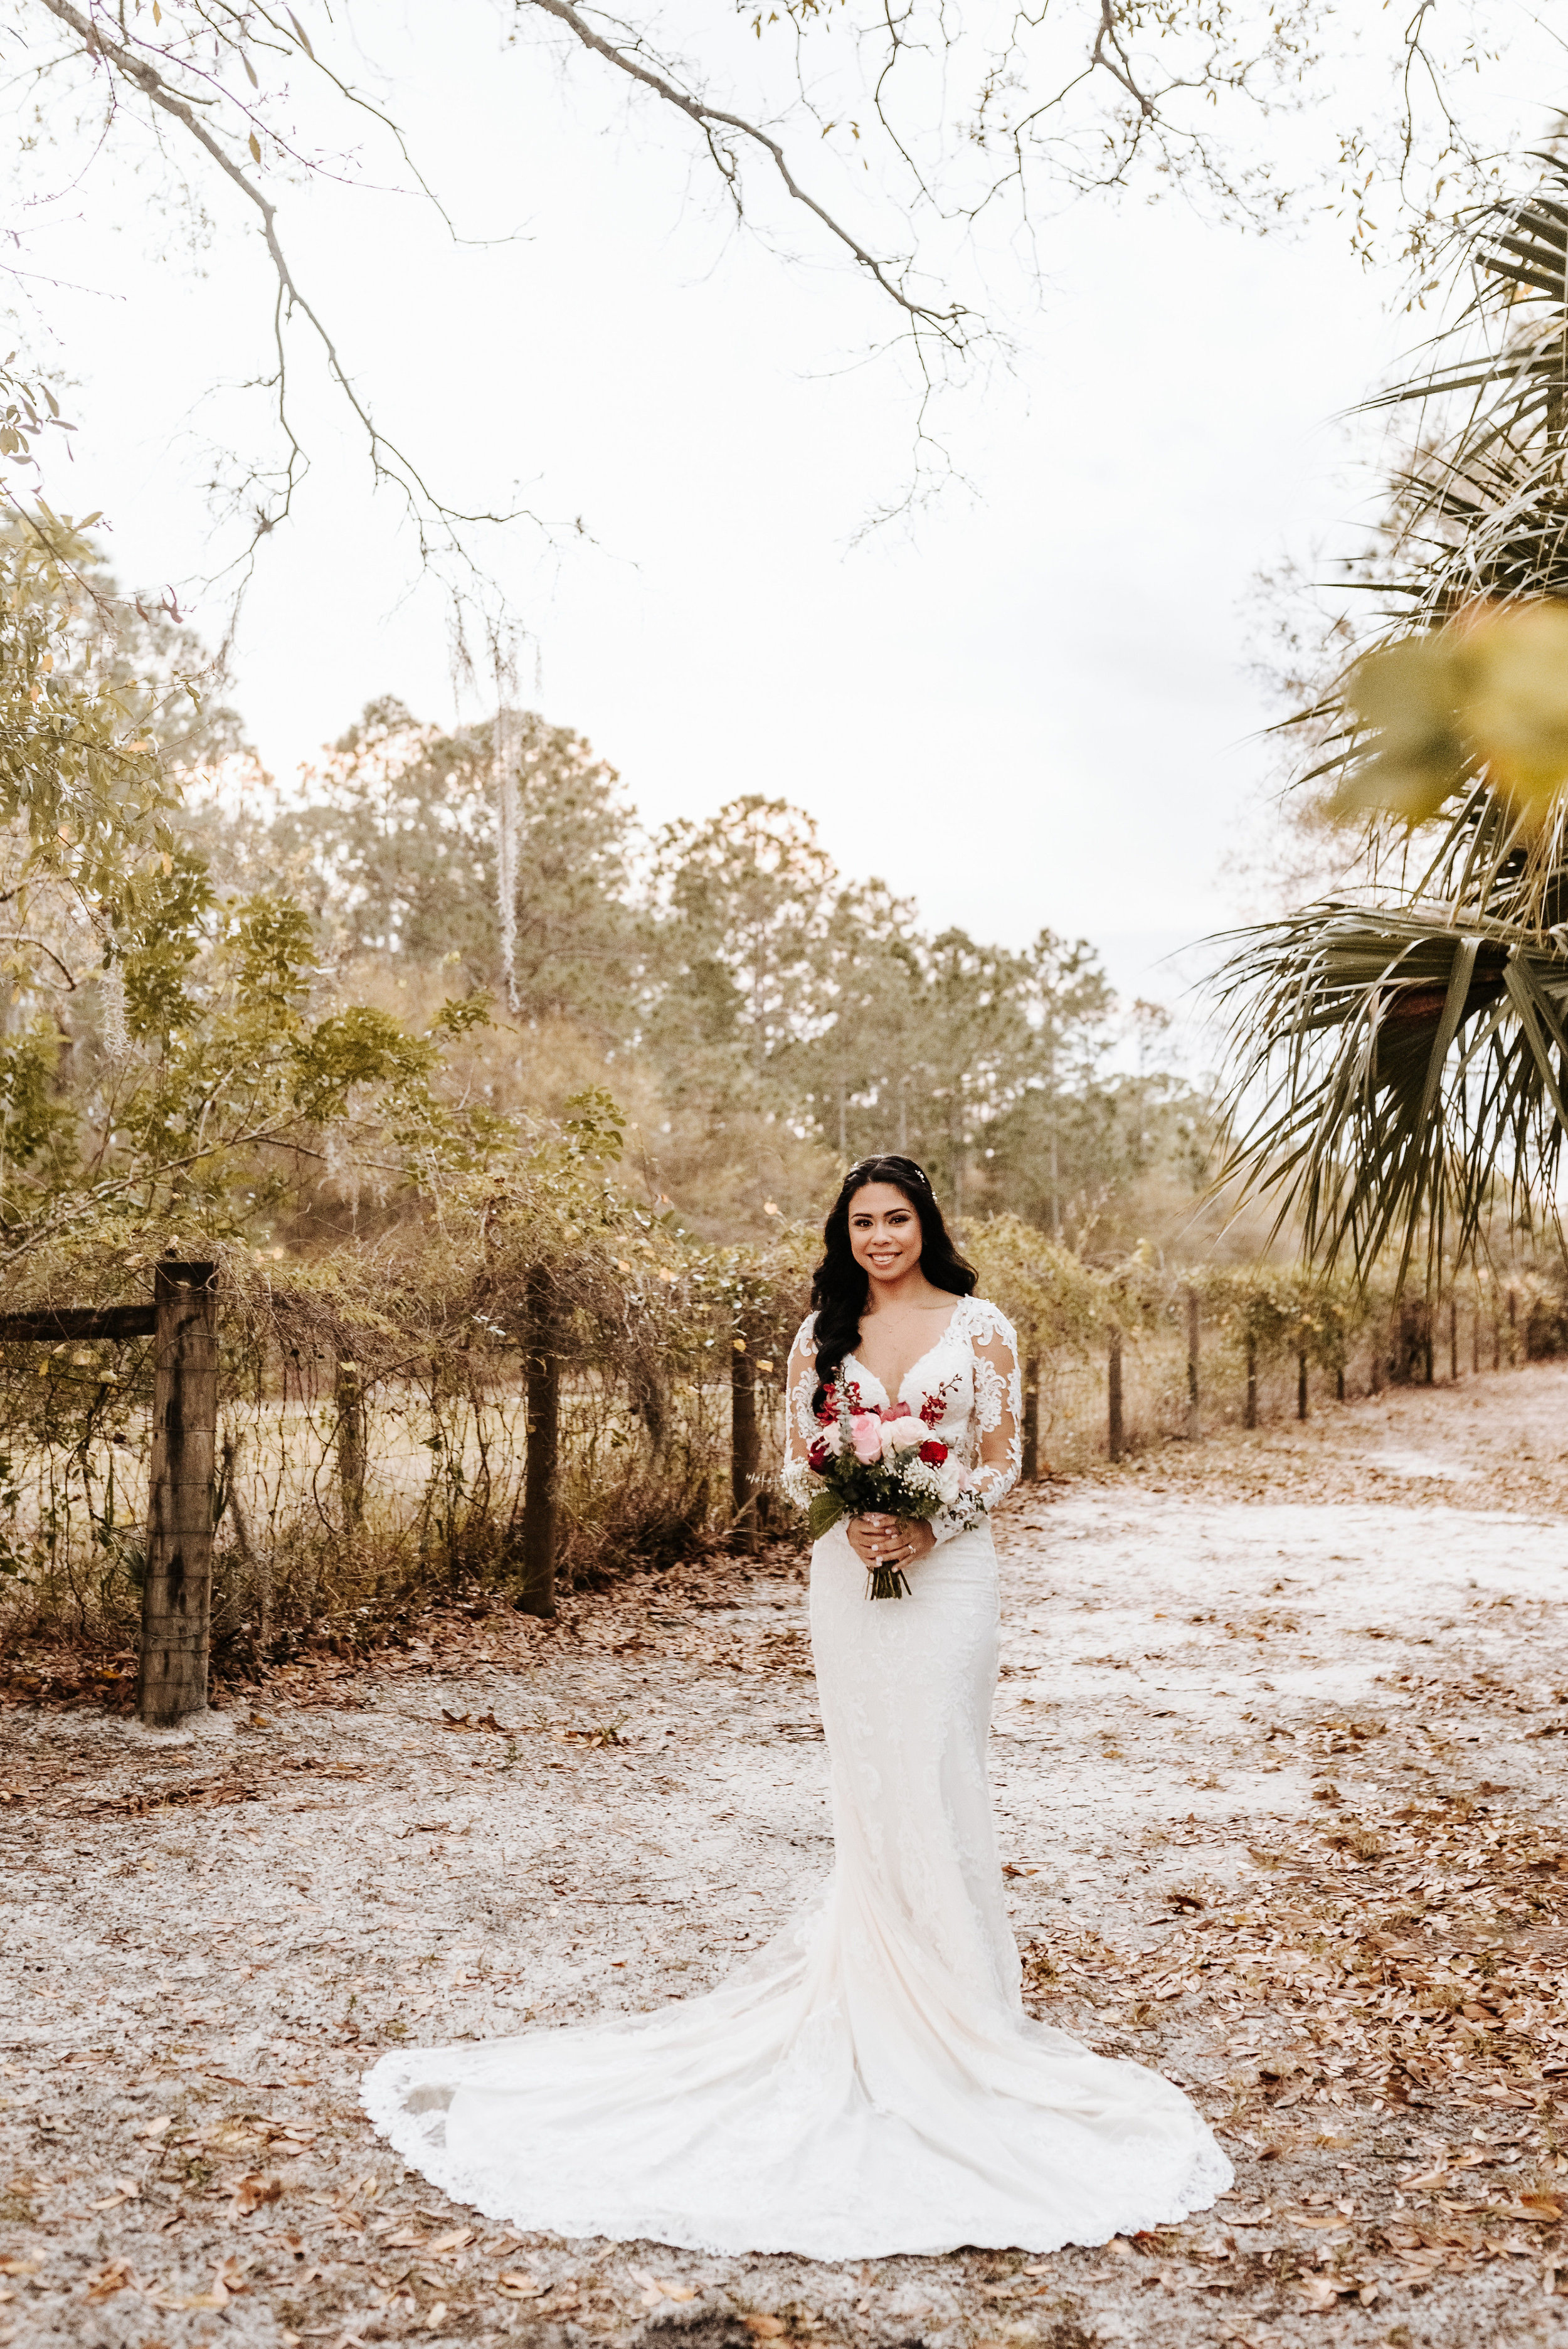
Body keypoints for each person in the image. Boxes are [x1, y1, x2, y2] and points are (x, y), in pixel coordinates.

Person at [363, 1154, 1229, 2256]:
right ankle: (876, 1985)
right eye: (862, 1221)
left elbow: (1008, 1460)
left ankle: (965, 2009)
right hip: (847, 1577)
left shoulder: (984, 1326)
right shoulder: (817, 1334)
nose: (880, 1236)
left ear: (926, 1224)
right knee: (871, 1777)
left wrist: (929, 1520)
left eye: (897, 1218)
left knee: (940, 1765)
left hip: (954, 1577)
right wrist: (855, 1513)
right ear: (844, 1232)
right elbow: (789, 1465)